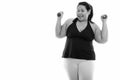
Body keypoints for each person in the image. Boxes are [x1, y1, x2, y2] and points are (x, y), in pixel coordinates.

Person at [55, 1, 108, 80]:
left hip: (87, 60)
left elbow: (103, 40)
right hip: (70, 59)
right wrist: (59, 19)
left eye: (82, 11)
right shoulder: (69, 22)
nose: (79, 13)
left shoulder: (93, 26)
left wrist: (104, 22)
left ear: (89, 11)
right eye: (78, 10)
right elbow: (59, 34)